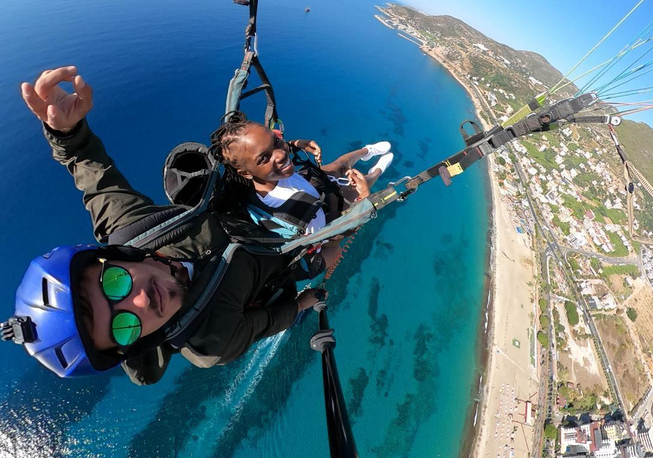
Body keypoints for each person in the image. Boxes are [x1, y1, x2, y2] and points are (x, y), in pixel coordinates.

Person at [9, 66, 324, 385]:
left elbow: (93, 175)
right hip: (283, 259)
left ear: (113, 258)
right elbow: (270, 320)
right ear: (136, 345)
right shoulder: (212, 340)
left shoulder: (134, 227)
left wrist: (66, 131)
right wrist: (302, 303)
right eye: (125, 327)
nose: (142, 301)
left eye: (115, 282)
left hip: (243, 216)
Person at [212, 111, 394, 288]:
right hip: (320, 225)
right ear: (245, 173)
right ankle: (375, 172)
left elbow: (270, 150)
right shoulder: (295, 213)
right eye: (264, 157)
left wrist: (295, 144)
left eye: (275, 141)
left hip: (308, 192)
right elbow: (335, 232)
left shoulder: (254, 180)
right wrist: (364, 196)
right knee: (356, 190)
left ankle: (367, 151)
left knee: (339, 165)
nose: (281, 154)